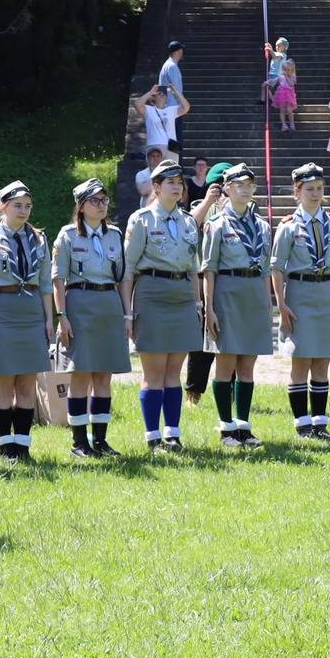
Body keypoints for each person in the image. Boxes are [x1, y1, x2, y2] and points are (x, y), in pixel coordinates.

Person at [122, 159, 204, 451]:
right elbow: (128, 269)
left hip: (182, 295)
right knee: (154, 371)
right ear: (155, 187)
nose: (177, 187)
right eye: (170, 182)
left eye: (179, 183)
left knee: (174, 372)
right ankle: (153, 437)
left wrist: (197, 303)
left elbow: (193, 268)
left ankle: (172, 433)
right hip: (152, 292)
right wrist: (128, 313)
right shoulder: (141, 219)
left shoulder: (188, 221)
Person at [0, 180, 53, 463]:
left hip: (32, 313)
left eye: (28, 206)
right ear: (3, 207)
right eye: (17, 205)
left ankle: (23, 446)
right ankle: (5, 448)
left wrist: (49, 320)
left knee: (27, 385)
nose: (24, 211)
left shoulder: (39, 240)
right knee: (5, 385)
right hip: (2, 313)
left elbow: (46, 284)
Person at [52, 178, 130, 458]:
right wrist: (62, 316)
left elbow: (123, 278)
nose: (101, 205)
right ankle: (79, 443)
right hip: (80, 303)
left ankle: (101, 440)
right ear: (81, 206)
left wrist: (126, 315)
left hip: (109, 303)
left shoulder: (115, 235)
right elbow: (58, 279)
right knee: (81, 375)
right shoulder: (68, 235)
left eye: (104, 200)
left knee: (104, 376)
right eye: (95, 201)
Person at [273, 162, 330, 439]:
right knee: (301, 360)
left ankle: (320, 423)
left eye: (319, 188)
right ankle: (302, 424)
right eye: (309, 189)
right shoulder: (288, 227)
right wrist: (281, 304)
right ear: (297, 191)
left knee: (322, 362)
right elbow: (277, 267)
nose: (315, 194)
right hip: (300, 293)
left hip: (326, 294)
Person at [200, 162, 274, 447]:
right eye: (238, 185)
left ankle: (243, 426)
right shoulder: (217, 224)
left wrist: (268, 304)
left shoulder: (263, 226)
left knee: (247, 364)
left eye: (249, 185)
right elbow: (209, 269)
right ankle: (226, 428)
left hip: (254, 293)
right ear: (227, 189)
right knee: (226, 361)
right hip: (227, 293)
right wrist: (210, 308)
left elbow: (266, 269)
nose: (245, 189)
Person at [183, 162, 230, 404]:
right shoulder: (199, 206)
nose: (223, 190)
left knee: (232, 339)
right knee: (202, 342)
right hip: (203, 281)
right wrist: (210, 200)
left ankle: (231, 392)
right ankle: (194, 391)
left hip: (231, 280)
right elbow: (189, 225)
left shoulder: (242, 207)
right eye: (218, 185)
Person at [138, 82, 189, 162]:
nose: (162, 95)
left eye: (164, 94)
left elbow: (186, 107)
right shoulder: (148, 109)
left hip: (171, 147)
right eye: (159, 93)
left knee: (172, 169)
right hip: (154, 145)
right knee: (155, 169)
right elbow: (137, 104)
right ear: (154, 97)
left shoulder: (172, 109)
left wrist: (175, 91)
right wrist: (150, 92)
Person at [158, 40, 186, 148]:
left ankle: (173, 158)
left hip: (167, 107)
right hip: (173, 108)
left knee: (171, 139)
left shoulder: (167, 65)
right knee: (176, 139)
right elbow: (176, 90)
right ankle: (176, 159)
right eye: (181, 50)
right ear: (178, 51)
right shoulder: (172, 67)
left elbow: (165, 88)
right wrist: (183, 106)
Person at [272, 54, 299, 132]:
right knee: (282, 110)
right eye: (285, 70)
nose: (287, 71)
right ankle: (284, 125)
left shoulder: (293, 77)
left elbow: (291, 84)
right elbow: (275, 81)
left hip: (289, 96)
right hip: (281, 95)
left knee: (289, 110)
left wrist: (287, 76)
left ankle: (291, 123)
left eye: (288, 70)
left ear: (292, 70)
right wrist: (269, 82)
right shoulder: (281, 76)